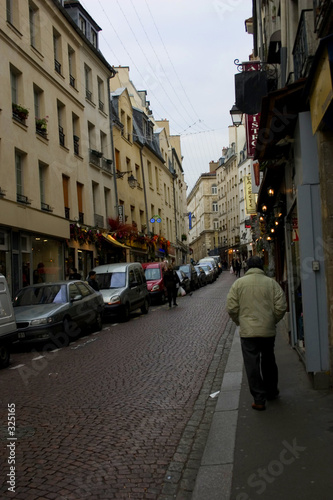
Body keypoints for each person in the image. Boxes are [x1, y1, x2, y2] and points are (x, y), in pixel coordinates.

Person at [226, 256, 287, 411]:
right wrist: (272, 320)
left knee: (251, 364)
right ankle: (272, 391)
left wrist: (240, 322)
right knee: (268, 360)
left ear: (248, 267)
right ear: (261, 267)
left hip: (248, 332)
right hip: (267, 330)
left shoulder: (238, 284)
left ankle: (259, 399)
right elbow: (281, 306)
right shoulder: (271, 283)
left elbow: (231, 308)